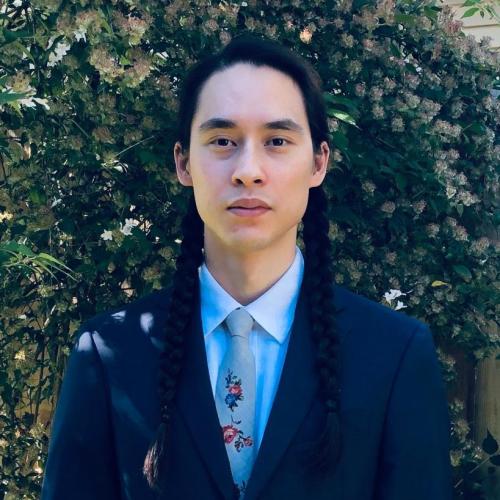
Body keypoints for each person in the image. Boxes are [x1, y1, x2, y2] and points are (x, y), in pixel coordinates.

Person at [41, 33, 453, 500]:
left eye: (277, 140)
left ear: (318, 162)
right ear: (183, 163)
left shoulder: (394, 355)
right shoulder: (109, 352)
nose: (248, 169)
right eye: (222, 140)